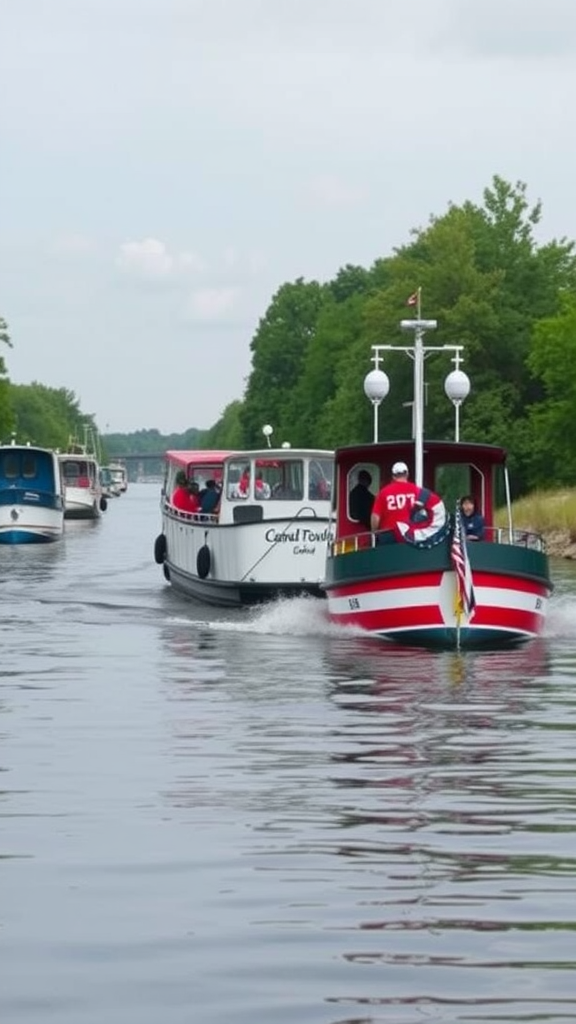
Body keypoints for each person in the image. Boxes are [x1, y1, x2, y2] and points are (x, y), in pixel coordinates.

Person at [370, 461, 420, 541]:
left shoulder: (384, 493)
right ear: (407, 474)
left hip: (388, 535)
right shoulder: (417, 491)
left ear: (393, 476)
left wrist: (374, 533)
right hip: (410, 534)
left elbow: (375, 517)